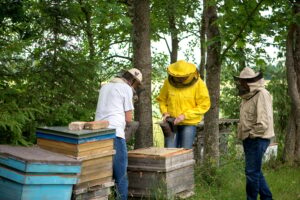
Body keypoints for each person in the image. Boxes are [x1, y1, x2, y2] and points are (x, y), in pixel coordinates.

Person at [95, 68, 142, 200]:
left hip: (97, 132)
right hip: (114, 133)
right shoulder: (126, 88)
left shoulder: (105, 87)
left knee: (99, 173)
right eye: (137, 85)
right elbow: (128, 119)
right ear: (133, 81)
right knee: (121, 175)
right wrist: (130, 125)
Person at [234, 67, 274, 200]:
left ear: (249, 81)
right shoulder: (247, 96)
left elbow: (263, 122)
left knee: (252, 173)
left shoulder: (262, 94)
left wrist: (251, 134)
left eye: (243, 81)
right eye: (240, 81)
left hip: (257, 138)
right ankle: (267, 197)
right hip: (250, 138)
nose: (241, 83)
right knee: (255, 172)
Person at [157, 60, 210, 149]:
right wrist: (165, 112)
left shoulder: (199, 84)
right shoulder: (168, 82)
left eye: (182, 77)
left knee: (185, 152)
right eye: (177, 77)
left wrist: (184, 116)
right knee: (169, 151)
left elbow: (204, 105)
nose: (179, 79)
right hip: (171, 123)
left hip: (188, 123)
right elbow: (162, 100)